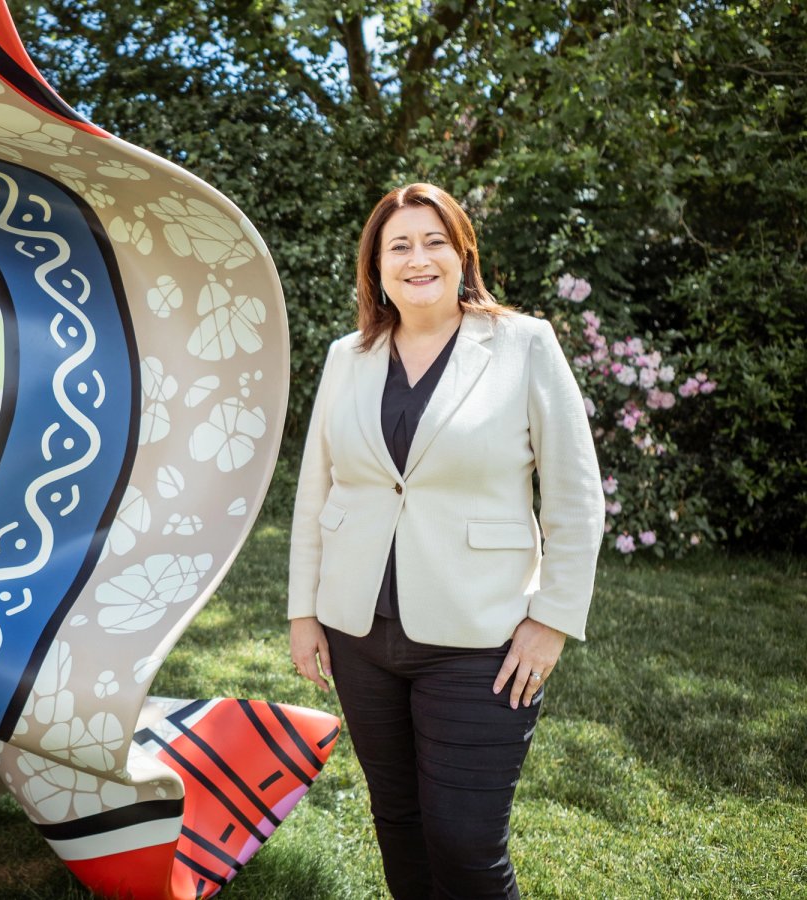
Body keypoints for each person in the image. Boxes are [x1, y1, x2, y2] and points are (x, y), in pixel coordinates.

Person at [287, 183, 604, 898]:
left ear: (463, 254)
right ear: (376, 267)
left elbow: (577, 496)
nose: (417, 257)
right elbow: (317, 490)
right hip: (360, 633)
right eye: (398, 245)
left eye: (434, 241)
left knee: (464, 844)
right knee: (398, 822)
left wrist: (551, 621)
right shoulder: (348, 356)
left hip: (480, 637)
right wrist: (303, 610)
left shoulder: (524, 345)